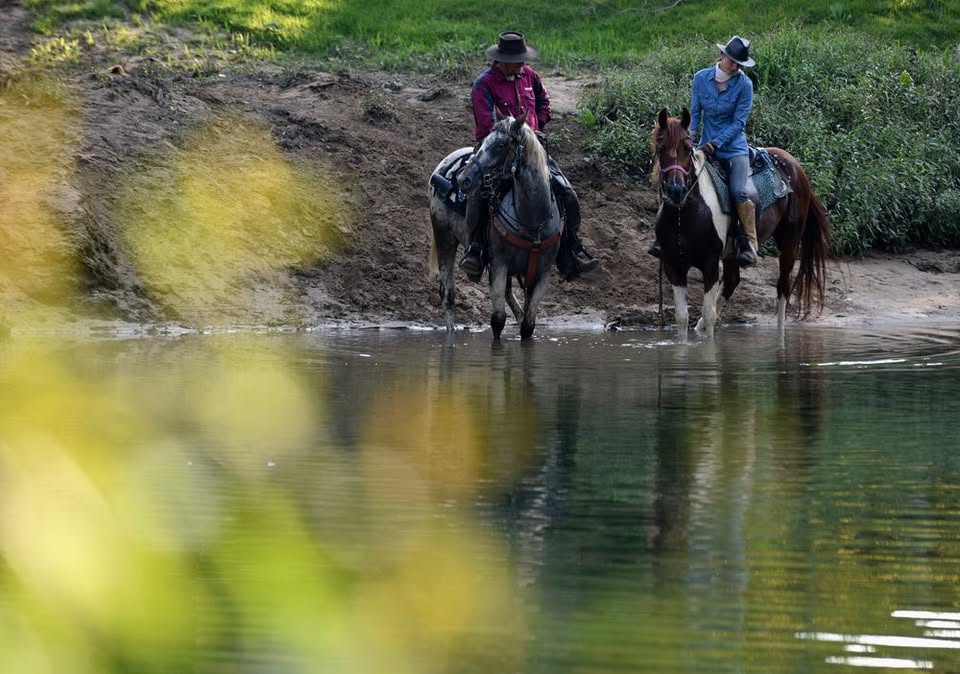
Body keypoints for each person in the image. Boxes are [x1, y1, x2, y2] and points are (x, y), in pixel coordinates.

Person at [459, 31, 598, 282]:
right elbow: (485, 125)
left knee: (567, 192)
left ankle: (570, 250)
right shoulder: (484, 84)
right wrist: (510, 137)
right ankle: (475, 250)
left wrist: (536, 131)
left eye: (524, 59)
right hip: (497, 149)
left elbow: (545, 103)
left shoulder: (530, 76)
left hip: (533, 150)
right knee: (479, 194)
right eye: (518, 60)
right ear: (502, 60)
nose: (523, 64)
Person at [649, 35, 758, 266]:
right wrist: (691, 141)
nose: (735, 67)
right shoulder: (700, 78)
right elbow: (695, 116)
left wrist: (715, 144)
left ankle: (747, 242)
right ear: (722, 56)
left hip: (734, 149)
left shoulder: (745, 86)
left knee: (738, 191)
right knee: (678, 181)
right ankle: (662, 237)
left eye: (740, 64)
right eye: (732, 61)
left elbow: (739, 123)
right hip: (704, 146)